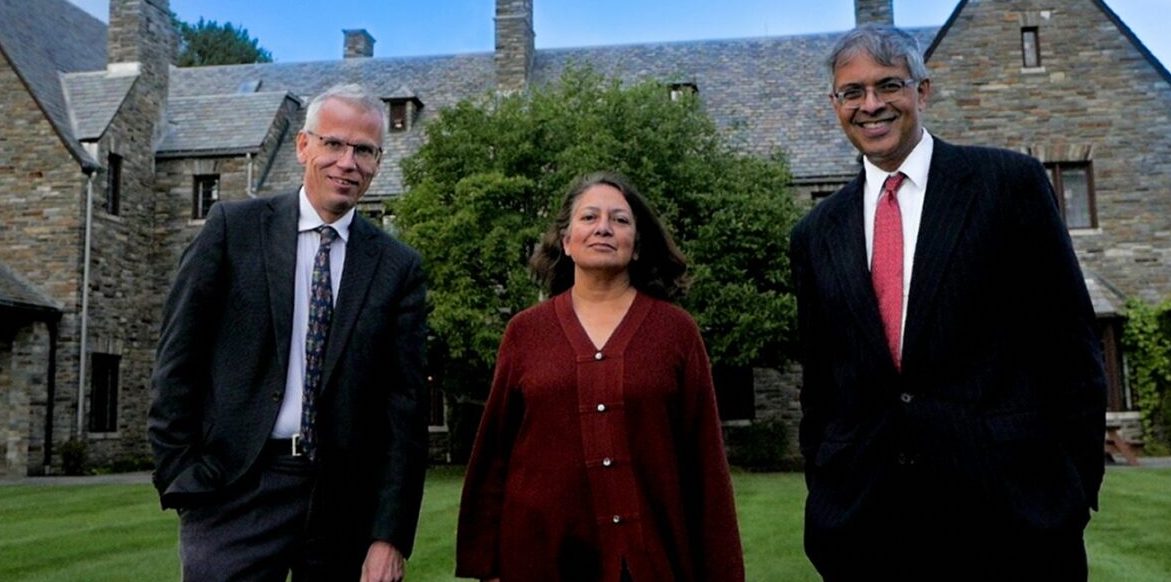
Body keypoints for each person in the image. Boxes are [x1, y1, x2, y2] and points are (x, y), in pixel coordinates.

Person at [788, 24, 1107, 580]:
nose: (871, 105)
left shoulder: (1006, 186)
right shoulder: (817, 232)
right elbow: (821, 384)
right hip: (870, 527)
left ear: (923, 90)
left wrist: (1071, 489)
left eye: (889, 85)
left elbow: (1070, 346)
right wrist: (828, 487)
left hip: (1011, 520)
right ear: (834, 104)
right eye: (852, 92)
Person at [149, 83, 429, 581]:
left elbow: (403, 411)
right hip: (236, 490)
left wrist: (389, 535)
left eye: (364, 150)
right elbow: (177, 361)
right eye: (334, 143)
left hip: (343, 503)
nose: (348, 162)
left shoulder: (396, 267)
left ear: (378, 162)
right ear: (303, 145)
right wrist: (182, 476)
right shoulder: (233, 230)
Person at [455, 172, 745, 582]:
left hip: (647, 562)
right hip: (540, 560)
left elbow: (706, 466)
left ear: (637, 244)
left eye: (620, 220)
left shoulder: (675, 332)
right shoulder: (525, 333)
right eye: (589, 217)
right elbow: (493, 453)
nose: (604, 228)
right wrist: (485, 565)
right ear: (566, 240)